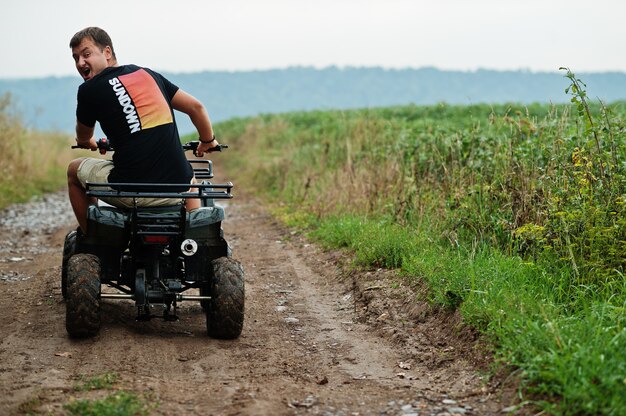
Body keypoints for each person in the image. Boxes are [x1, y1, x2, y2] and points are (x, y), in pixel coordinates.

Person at [66, 27, 218, 233]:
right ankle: (191, 238)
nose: (80, 63)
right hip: (176, 189)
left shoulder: (88, 90)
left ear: (107, 53)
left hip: (130, 191)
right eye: (76, 58)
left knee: (74, 170)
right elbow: (196, 107)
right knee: (189, 177)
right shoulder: (147, 74)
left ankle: (92, 237)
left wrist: (89, 142)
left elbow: (84, 137)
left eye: (86, 54)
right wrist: (208, 141)